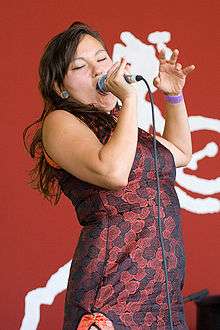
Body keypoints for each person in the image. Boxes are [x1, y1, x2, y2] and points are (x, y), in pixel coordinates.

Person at [23, 21, 195, 329]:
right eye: (79, 66)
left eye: (101, 59)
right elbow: (114, 173)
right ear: (59, 87)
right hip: (111, 292)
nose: (96, 70)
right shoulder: (61, 121)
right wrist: (130, 100)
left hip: (161, 297)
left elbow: (179, 154)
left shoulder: (120, 124)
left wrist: (173, 96)